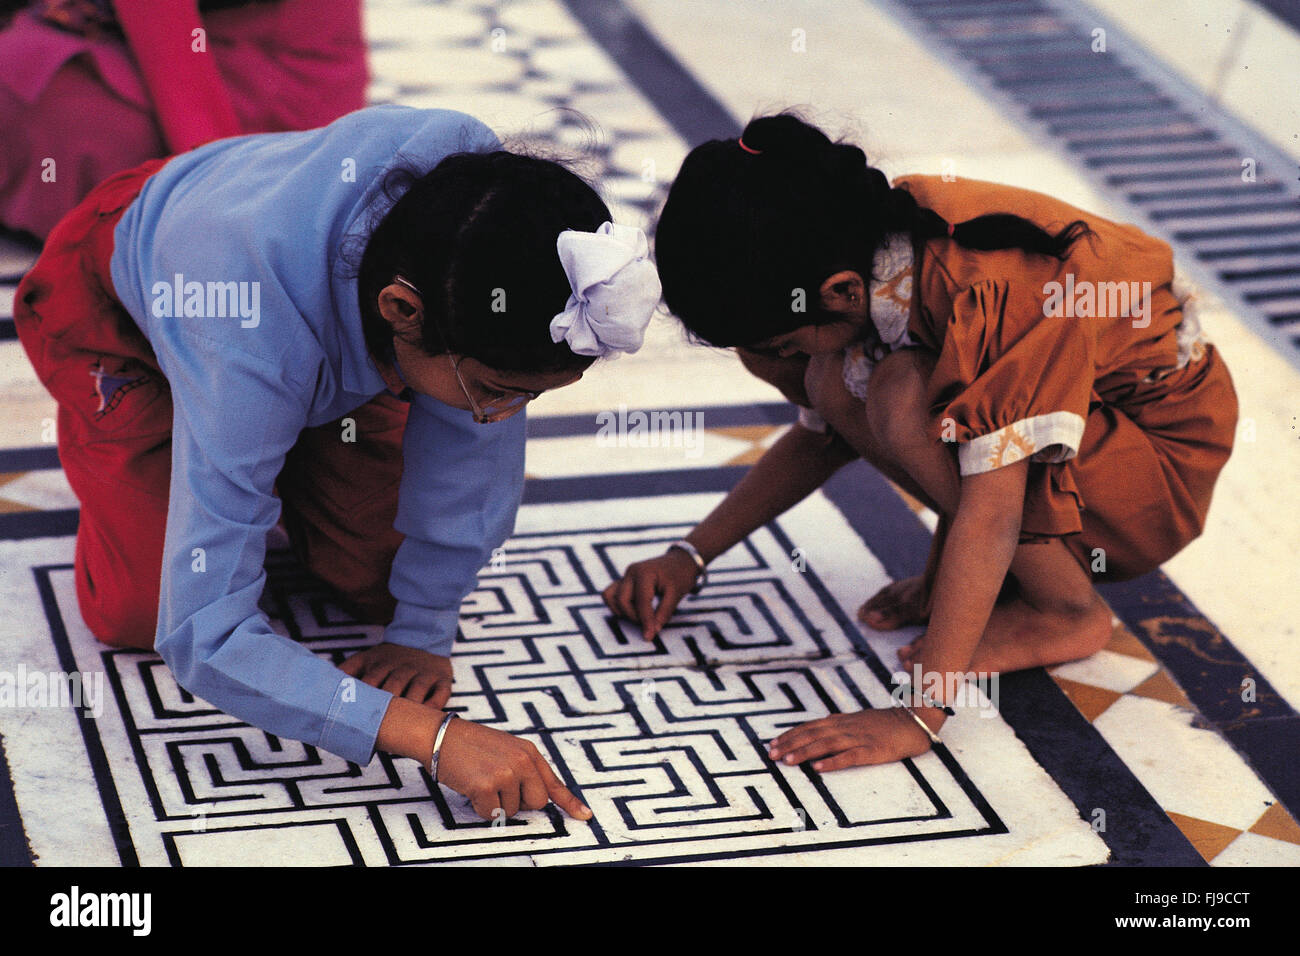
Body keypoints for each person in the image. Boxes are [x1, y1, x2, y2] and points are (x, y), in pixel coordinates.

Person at [15, 104, 661, 822]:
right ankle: (245, 445)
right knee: (139, 611)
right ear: (400, 310)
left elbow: (475, 447)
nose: (506, 416)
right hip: (123, 307)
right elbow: (203, 633)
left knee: (383, 584)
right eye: (500, 392)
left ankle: (279, 448)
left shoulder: (485, 230)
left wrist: (424, 628)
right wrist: (431, 736)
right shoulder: (249, 340)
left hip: (311, 330)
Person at [604, 113, 1236, 773]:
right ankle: (996, 587)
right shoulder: (863, 245)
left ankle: (1063, 608)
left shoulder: (989, 291)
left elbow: (993, 515)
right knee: (838, 380)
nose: (771, 363)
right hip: (1091, 443)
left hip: (1156, 465)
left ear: (840, 292)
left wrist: (917, 714)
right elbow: (820, 440)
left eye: (778, 341)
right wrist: (689, 556)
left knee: (901, 396)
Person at [0, 0, 368, 240]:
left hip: (262, 84)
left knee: (42, 94)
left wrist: (216, 187)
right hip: (215, 59)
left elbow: (175, 59)